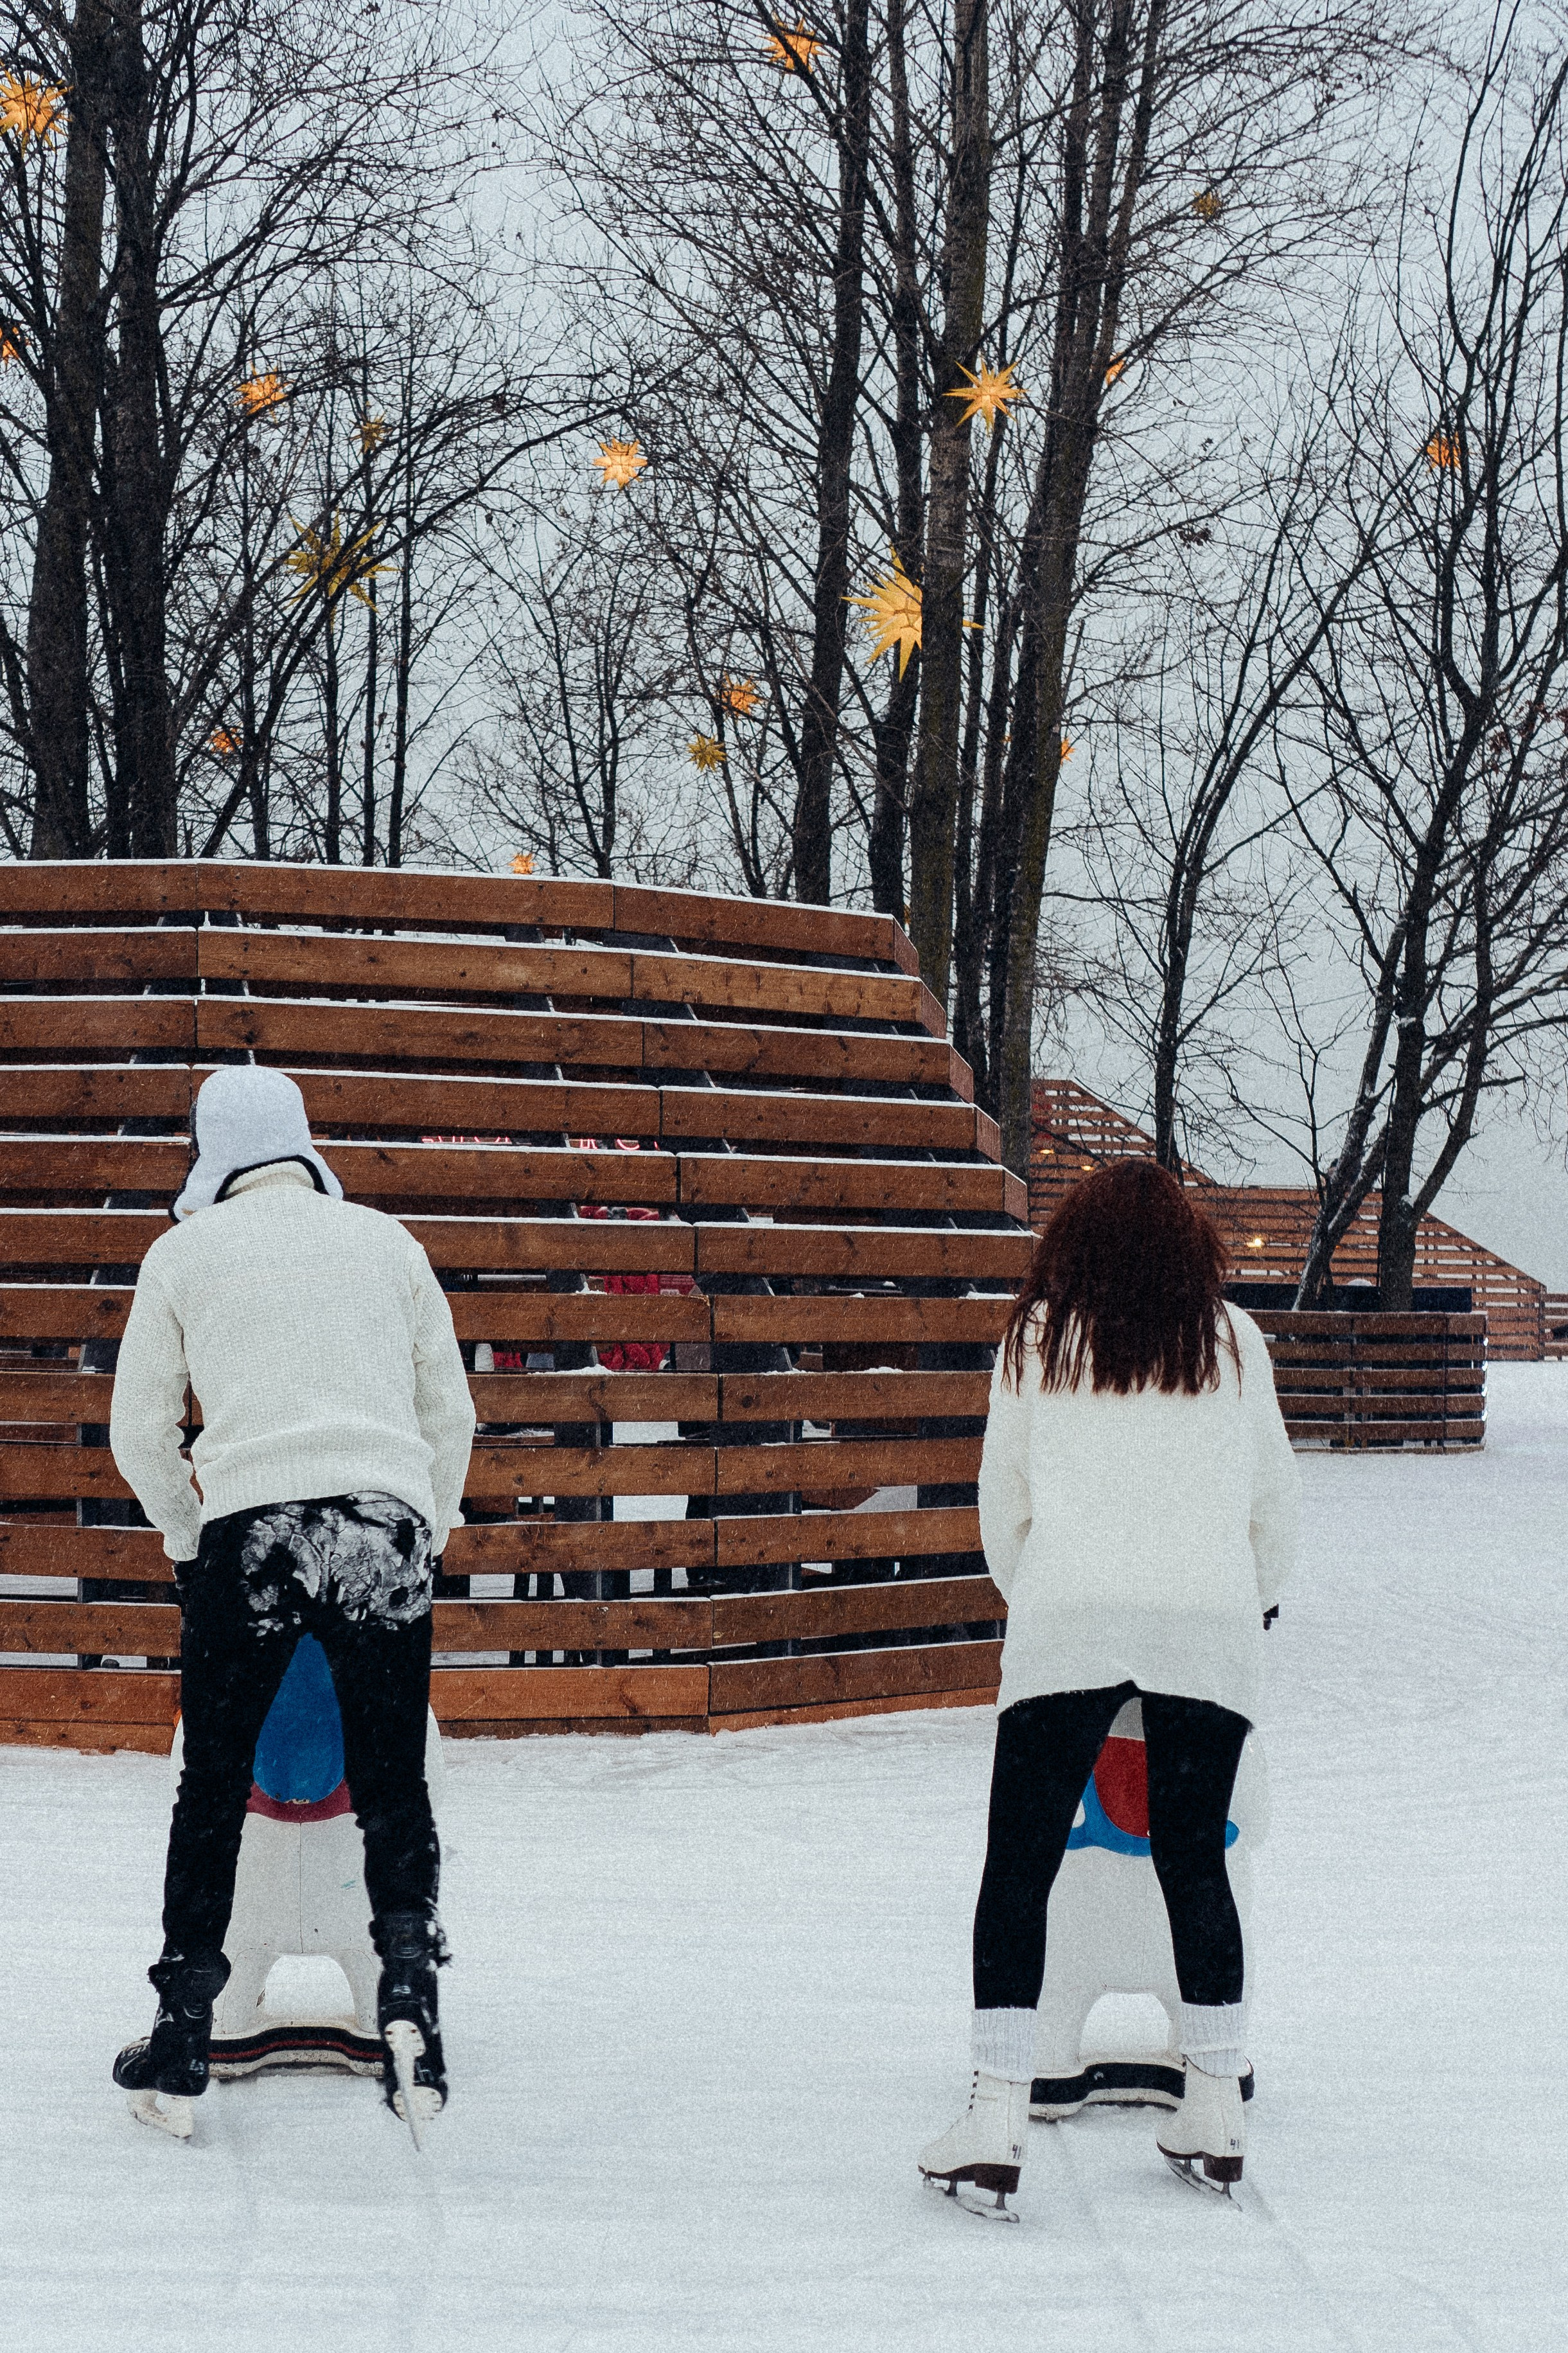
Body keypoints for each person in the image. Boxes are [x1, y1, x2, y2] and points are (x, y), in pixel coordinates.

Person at [918, 1159, 1298, 2214]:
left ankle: (997, 2112)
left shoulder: (1036, 1340)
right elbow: (1274, 1506)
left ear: (1072, 1243)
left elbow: (1006, 1508)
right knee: (1194, 1858)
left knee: (1022, 1859)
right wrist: (1239, 1605)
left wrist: (1041, 1599)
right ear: (1191, 1246)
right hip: (1205, 1628)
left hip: (1069, 1623)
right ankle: (1213, 2099)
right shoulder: (1236, 1342)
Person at [107, 1067, 476, 2142]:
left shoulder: (179, 1254)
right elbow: (446, 1412)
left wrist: (190, 1532)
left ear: (207, 1148)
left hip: (251, 1529)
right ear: (302, 1139)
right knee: (393, 1777)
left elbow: (139, 1434)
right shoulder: (387, 1242)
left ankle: (183, 2026)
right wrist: (426, 1525)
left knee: (213, 1785)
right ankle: (408, 1994)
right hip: (380, 1519)